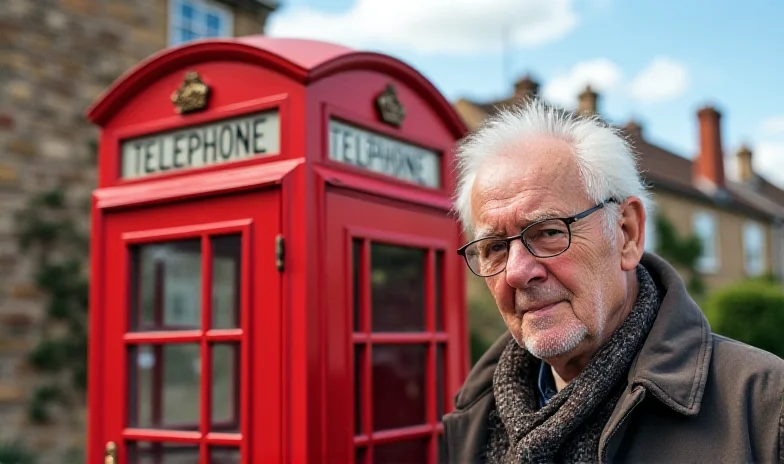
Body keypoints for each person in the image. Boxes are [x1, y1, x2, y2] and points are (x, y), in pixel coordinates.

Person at [442, 99, 784, 463]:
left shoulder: (766, 410)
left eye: (548, 232)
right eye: (495, 247)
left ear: (627, 233)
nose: (516, 272)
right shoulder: (470, 419)